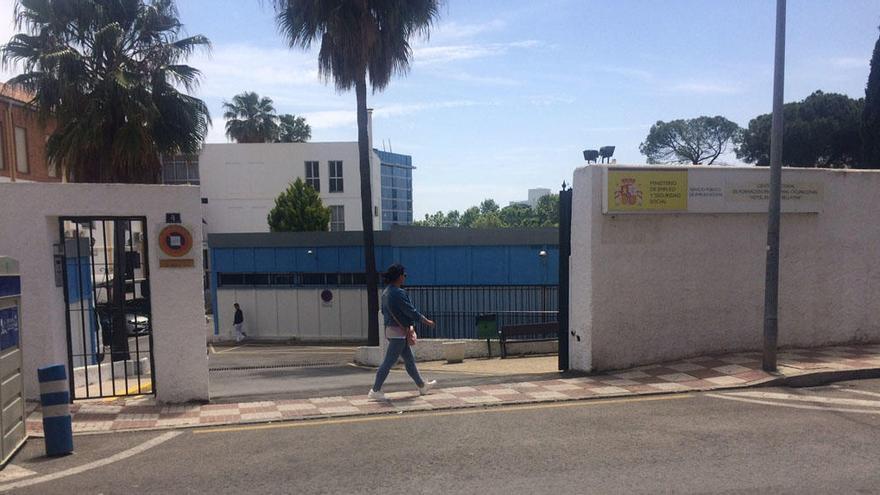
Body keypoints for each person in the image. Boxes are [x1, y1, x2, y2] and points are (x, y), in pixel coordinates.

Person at [369, 263, 437, 401]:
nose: (405, 277)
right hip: (398, 331)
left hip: (391, 329)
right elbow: (410, 311)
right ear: (399, 277)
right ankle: (375, 390)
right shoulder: (398, 293)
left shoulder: (386, 292)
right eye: (404, 275)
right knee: (388, 362)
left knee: (409, 360)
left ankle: (421, 385)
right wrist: (426, 321)